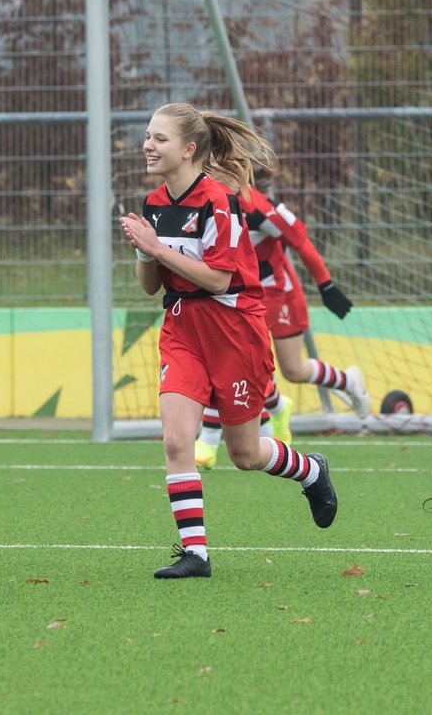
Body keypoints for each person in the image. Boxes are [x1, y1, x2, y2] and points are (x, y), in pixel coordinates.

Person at [119, 102, 338, 580]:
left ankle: (312, 471)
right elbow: (150, 286)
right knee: (177, 440)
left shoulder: (220, 201)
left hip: (234, 332)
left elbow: (219, 280)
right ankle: (195, 554)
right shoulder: (155, 204)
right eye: (148, 136)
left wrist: (156, 248)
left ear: (189, 149)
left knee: (245, 454)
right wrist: (143, 252)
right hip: (181, 328)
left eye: (159, 138)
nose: (148, 146)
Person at [194, 171, 370, 469]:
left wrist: (326, 285)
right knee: (285, 368)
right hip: (242, 294)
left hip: (276, 292)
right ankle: (282, 406)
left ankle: (210, 439)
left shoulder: (258, 208)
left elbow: (300, 239)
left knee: (268, 364)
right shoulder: (206, 203)